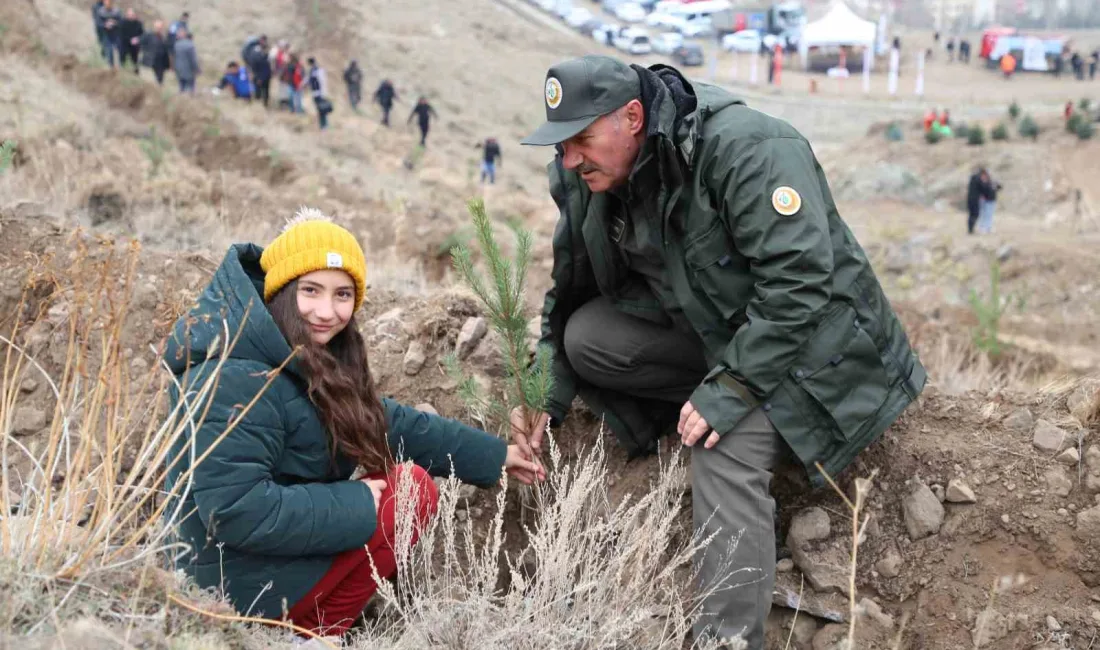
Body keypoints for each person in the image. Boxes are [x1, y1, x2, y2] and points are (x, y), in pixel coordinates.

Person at [514, 55, 925, 648]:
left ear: (632, 117)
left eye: (580, 140)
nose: (569, 158)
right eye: (560, 143)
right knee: (586, 339)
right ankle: (713, 396)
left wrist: (731, 389)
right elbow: (569, 287)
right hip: (717, 334)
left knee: (718, 444)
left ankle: (727, 639)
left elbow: (800, 286)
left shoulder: (749, 150)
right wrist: (543, 397)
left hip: (817, 352)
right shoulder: (588, 174)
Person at [162, 209, 545, 638]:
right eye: (311, 290)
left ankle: (310, 632)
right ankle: (309, 633)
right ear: (281, 290)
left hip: (251, 565)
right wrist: (357, 502)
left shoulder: (295, 353)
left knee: (408, 486)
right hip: (222, 583)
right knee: (407, 493)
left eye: (342, 295)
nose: (327, 312)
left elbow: (388, 423)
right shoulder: (235, 375)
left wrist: (497, 456)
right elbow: (236, 512)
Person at [242, 35, 272, 108]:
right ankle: (258, 107)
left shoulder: (264, 51)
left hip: (265, 75)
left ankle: (264, 105)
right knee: (258, 92)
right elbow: (254, 65)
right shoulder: (255, 52)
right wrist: (257, 76)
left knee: (265, 91)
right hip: (259, 75)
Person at [139, 20, 171, 85]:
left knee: (160, 79)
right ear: (154, 27)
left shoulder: (163, 37)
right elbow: (141, 43)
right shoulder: (148, 35)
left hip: (161, 61)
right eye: (157, 27)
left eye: (160, 28)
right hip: (151, 60)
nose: (159, 29)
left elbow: (166, 49)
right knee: (151, 79)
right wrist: (146, 52)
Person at [94, 0, 121, 68]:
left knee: (118, 49)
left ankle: (119, 65)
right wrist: (105, 25)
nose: (108, 4)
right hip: (105, 34)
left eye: (109, 2)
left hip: (115, 34)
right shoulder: (100, 12)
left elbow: (121, 22)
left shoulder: (116, 11)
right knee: (109, 49)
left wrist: (115, 23)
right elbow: (98, 23)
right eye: (106, 2)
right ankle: (110, 66)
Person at [308, 57, 333, 130]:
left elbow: (323, 82)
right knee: (319, 110)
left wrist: (324, 93)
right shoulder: (312, 71)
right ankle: (322, 125)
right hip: (315, 93)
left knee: (323, 109)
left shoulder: (318, 70)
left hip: (319, 93)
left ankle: (324, 125)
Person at [172, 27, 200, 94]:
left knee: (181, 88)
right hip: (188, 71)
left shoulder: (177, 44)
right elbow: (193, 60)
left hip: (179, 70)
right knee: (189, 89)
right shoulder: (190, 45)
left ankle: (181, 101)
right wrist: (197, 69)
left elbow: (174, 57)